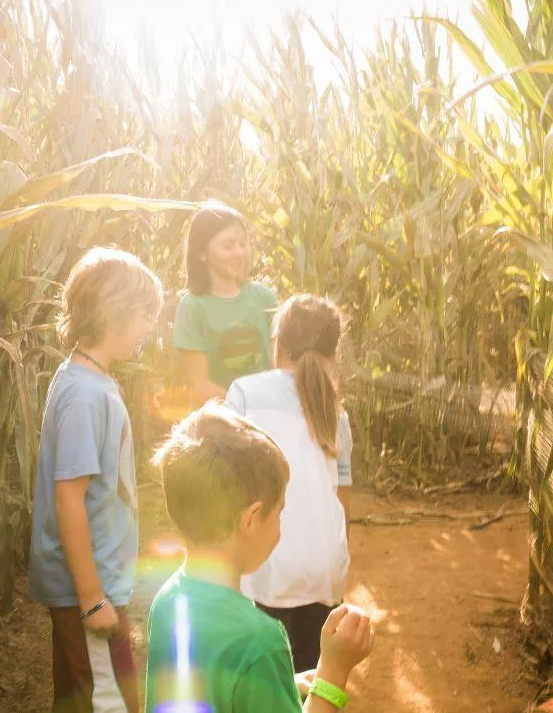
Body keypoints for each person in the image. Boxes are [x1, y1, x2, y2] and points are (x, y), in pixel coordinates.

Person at [145, 405, 372, 712]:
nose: (281, 523)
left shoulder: (168, 601)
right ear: (251, 519)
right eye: (279, 510)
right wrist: (332, 671)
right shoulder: (260, 642)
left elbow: (214, 692)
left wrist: (282, 684)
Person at [29, 247, 163, 712]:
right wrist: (90, 599)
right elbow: (69, 498)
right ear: (115, 312)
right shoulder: (86, 396)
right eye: (145, 315)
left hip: (93, 582)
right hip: (90, 588)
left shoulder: (89, 381)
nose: (148, 327)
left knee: (78, 699)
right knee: (110, 703)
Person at [225, 294, 353, 671]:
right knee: (312, 678)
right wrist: (339, 562)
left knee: (269, 681)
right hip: (325, 565)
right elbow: (341, 498)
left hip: (268, 563)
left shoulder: (245, 393)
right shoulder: (336, 411)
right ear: (333, 352)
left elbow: (228, 481)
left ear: (277, 342)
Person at [174, 202, 277, 404]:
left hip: (268, 416)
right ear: (202, 253)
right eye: (228, 246)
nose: (239, 253)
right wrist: (248, 406)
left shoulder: (265, 297)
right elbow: (200, 385)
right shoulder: (192, 308)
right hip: (220, 422)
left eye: (242, 243)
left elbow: (279, 367)